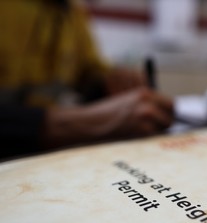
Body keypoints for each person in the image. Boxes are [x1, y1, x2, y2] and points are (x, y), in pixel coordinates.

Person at [0, 0, 174, 160]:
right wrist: (70, 124)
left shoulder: (72, 12)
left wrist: (114, 82)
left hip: (39, 155)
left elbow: (89, 72)